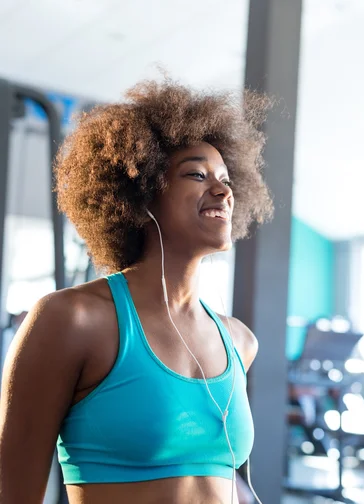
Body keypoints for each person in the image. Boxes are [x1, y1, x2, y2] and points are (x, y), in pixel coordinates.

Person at [0, 79, 273, 504]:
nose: (223, 191)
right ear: (142, 190)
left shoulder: (240, 341)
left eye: (226, 180)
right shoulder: (73, 319)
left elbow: (230, 487)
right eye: (197, 175)